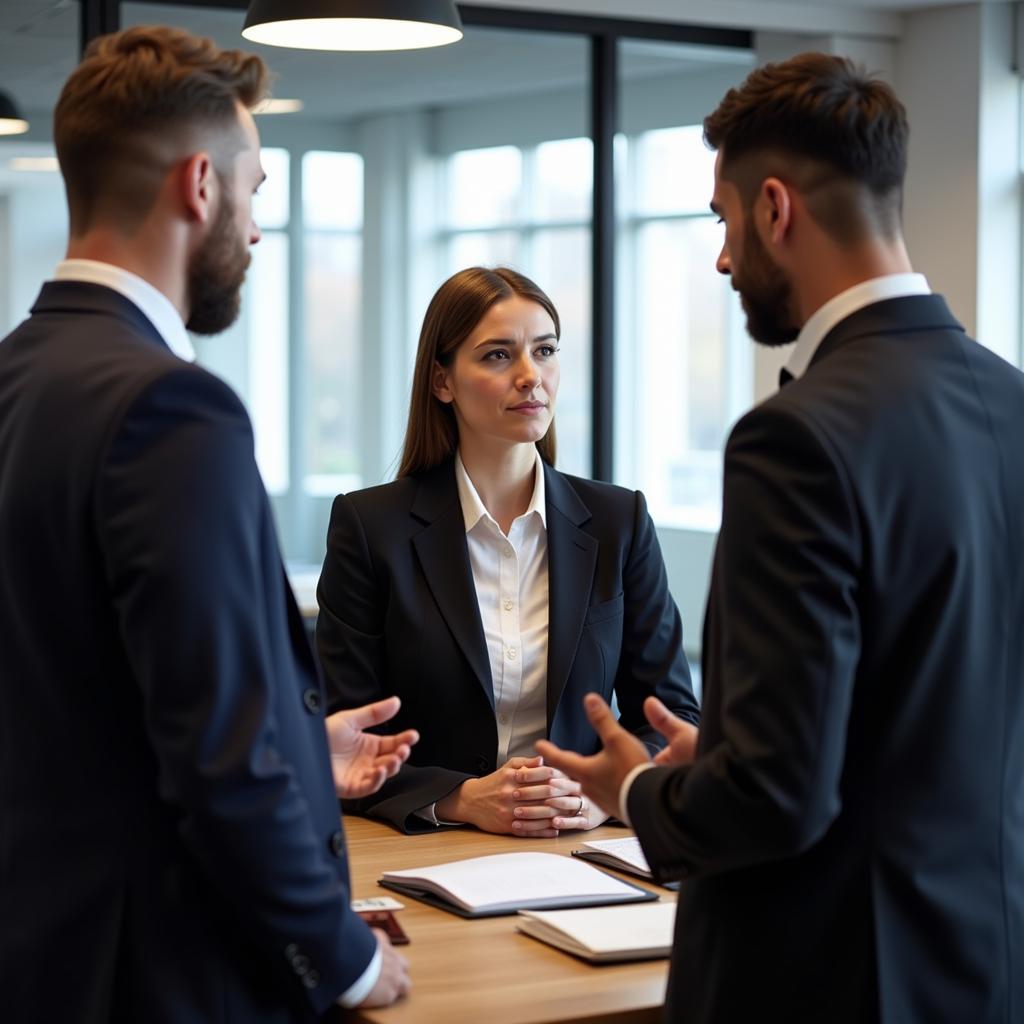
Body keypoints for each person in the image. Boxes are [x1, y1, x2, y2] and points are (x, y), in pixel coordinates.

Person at [537, 52, 1024, 1024]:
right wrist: (721, 751)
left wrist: (640, 788)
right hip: (984, 964)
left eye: (720, 222)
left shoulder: (794, 435)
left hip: (825, 975)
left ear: (772, 208)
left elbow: (773, 798)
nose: (722, 260)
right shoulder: (1010, 399)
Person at [0, 27, 417, 1022]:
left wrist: (291, 732)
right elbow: (220, 764)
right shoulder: (170, 408)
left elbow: (80, 688)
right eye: (256, 191)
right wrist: (344, 959)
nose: (258, 230)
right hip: (158, 972)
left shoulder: (18, 374)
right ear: (199, 186)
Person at [316, 266, 700, 836]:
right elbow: (340, 736)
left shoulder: (621, 522)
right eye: (498, 356)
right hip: (428, 849)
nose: (530, 376)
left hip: (579, 847)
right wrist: (460, 798)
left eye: (544, 351)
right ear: (442, 381)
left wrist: (607, 792)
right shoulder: (370, 528)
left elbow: (671, 720)